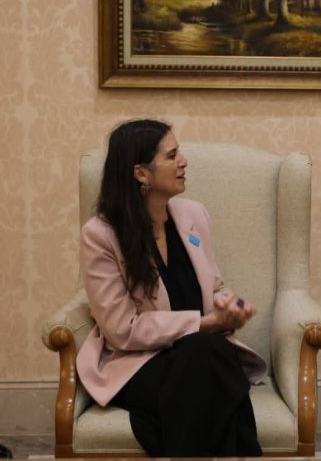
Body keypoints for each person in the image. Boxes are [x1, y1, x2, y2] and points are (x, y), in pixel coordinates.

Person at [76, 119, 266, 457]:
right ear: (141, 173)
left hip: (199, 358)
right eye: (172, 155)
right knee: (212, 360)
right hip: (137, 363)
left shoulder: (194, 215)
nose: (184, 161)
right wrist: (204, 324)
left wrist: (229, 307)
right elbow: (122, 329)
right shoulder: (101, 235)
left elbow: (214, 288)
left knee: (206, 359)